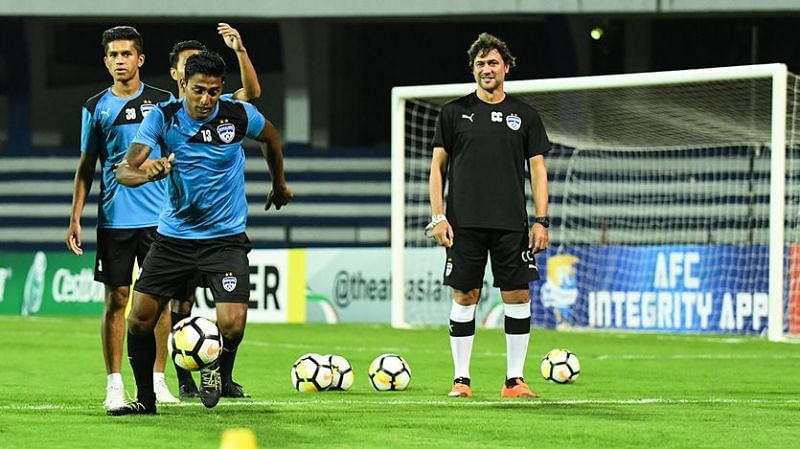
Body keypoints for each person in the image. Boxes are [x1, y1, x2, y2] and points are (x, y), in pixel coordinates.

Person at [109, 50, 292, 415]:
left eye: (213, 90)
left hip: (225, 239)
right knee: (139, 318)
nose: (206, 99)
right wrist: (149, 172)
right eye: (198, 91)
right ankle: (145, 401)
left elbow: (272, 139)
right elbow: (124, 170)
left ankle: (216, 372)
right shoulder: (163, 117)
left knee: (233, 325)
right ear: (182, 85)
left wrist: (279, 183)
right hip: (174, 237)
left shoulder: (238, 114)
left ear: (222, 88)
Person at [427, 33, 551, 399]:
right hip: (463, 224)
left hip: (512, 223)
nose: (486, 69)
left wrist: (541, 220)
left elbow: (538, 170)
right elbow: (437, 169)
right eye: (480, 63)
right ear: (473, 69)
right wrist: (438, 217)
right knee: (465, 296)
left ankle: (514, 380)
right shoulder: (452, 113)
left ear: (506, 68)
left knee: (517, 296)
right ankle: (461, 380)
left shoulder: (525, 115)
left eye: (493, 62)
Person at [66, 25, 179, 410]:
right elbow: (86, 166)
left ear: (140, 59)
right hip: (115, 219)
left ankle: (158, 380)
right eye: (113, 55)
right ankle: (114, 384)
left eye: (126, 54)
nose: (119, 61)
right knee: (117, 299)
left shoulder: (165, 103)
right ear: (105, 61)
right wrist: (75, 217)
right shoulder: (96, 107)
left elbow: (179, 153)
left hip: (160, 219)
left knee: (158, 301)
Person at [165, 24, 262, 400]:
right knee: (181, 303)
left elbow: (251, 95)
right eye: (190, 65)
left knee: (232, 317)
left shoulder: (224, 109)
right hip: (178, 226)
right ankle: (184, 377)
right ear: (178, 74)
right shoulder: (165, 114)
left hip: (222, 232)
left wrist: (239, 51)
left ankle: (222, 375)